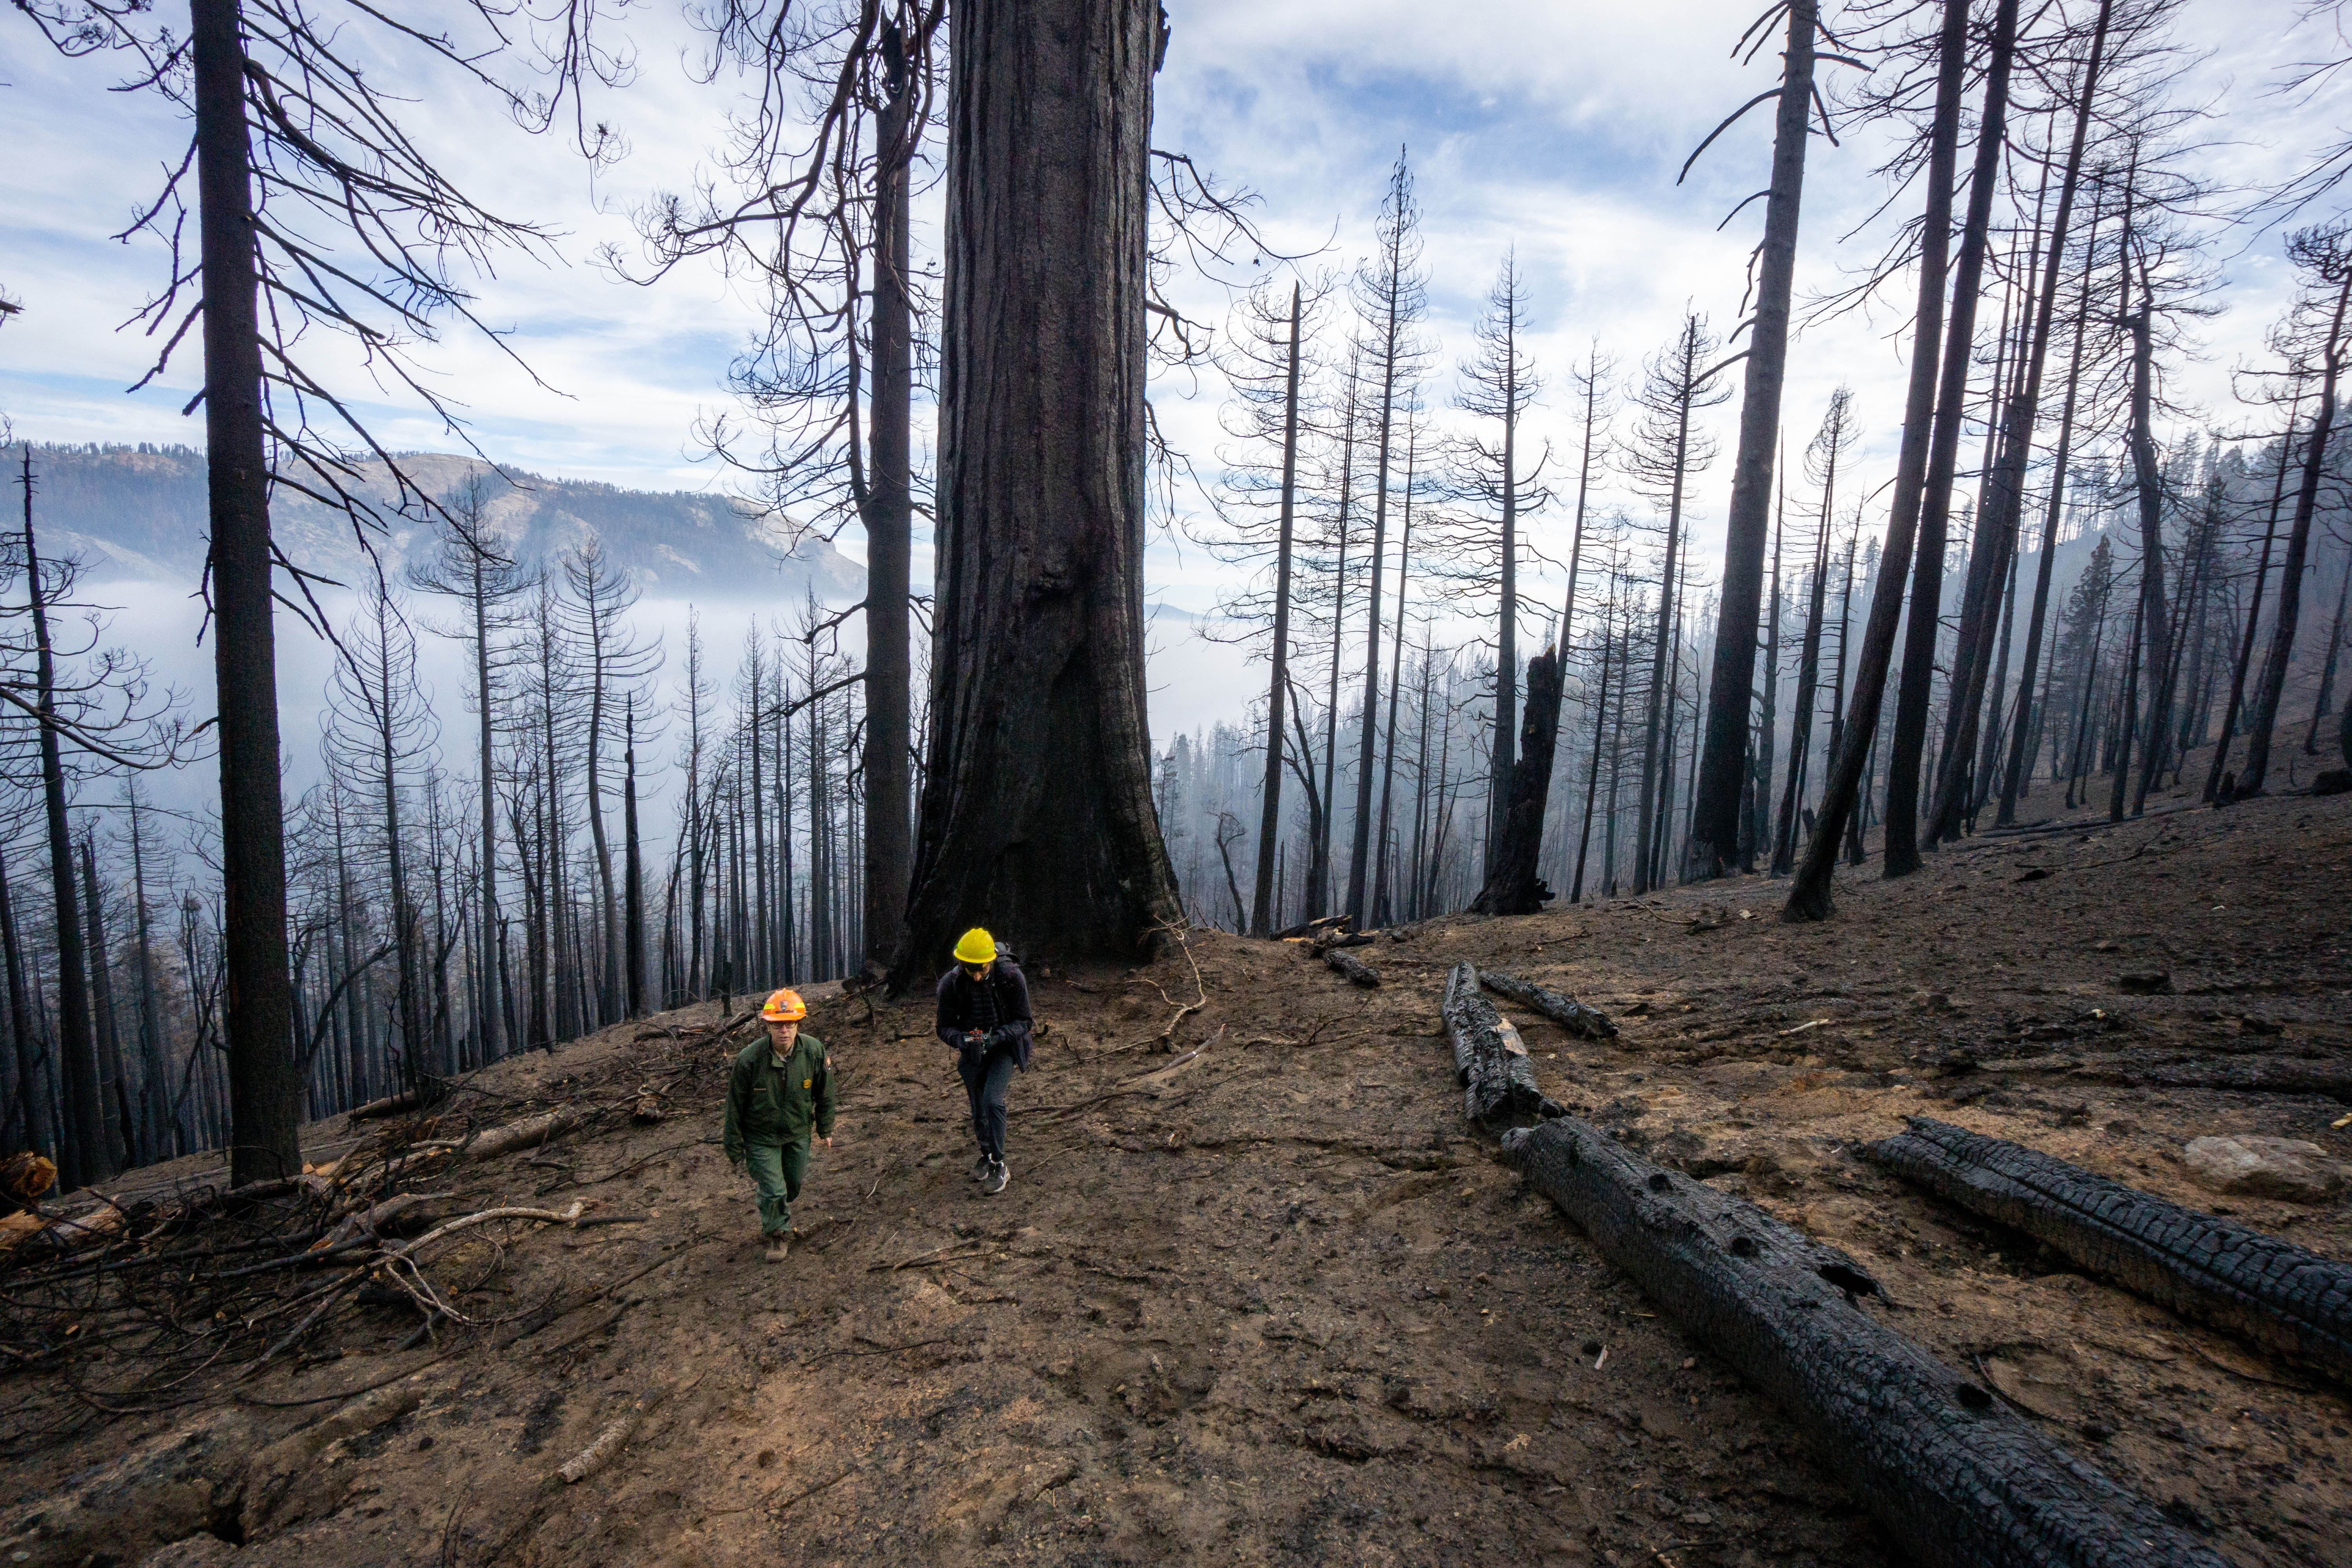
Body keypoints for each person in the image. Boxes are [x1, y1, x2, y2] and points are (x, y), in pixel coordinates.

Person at [723, 988, 837, 1261]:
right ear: (768, 1025)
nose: (784, 1031)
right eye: (778, 1025)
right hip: (761, 1137)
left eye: (790, 1024)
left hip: (798, 1132)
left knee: (792, 1185)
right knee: (774, 1189)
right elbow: (734, 1106)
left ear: (798, 1024)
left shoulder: (814, 1051)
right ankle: (778, 1236)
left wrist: (825, 1128)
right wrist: (734, 1146)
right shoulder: (750, 1060)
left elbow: (825, 1093)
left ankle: (775, 1209)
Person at [936, 927, 1032, 1196]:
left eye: (982, 969)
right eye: (971, 969)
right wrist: (962, 1040)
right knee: (978, 1107)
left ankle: (1000, 1165)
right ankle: (987, 1155)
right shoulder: (950, 984)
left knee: (993, 1100)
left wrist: (998, 1037)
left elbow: (1026, 1021)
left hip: (1004, 1048)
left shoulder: (1011, 977)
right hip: (972, 1053)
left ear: (992, 960)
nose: (977, 975)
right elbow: (943, 1027)